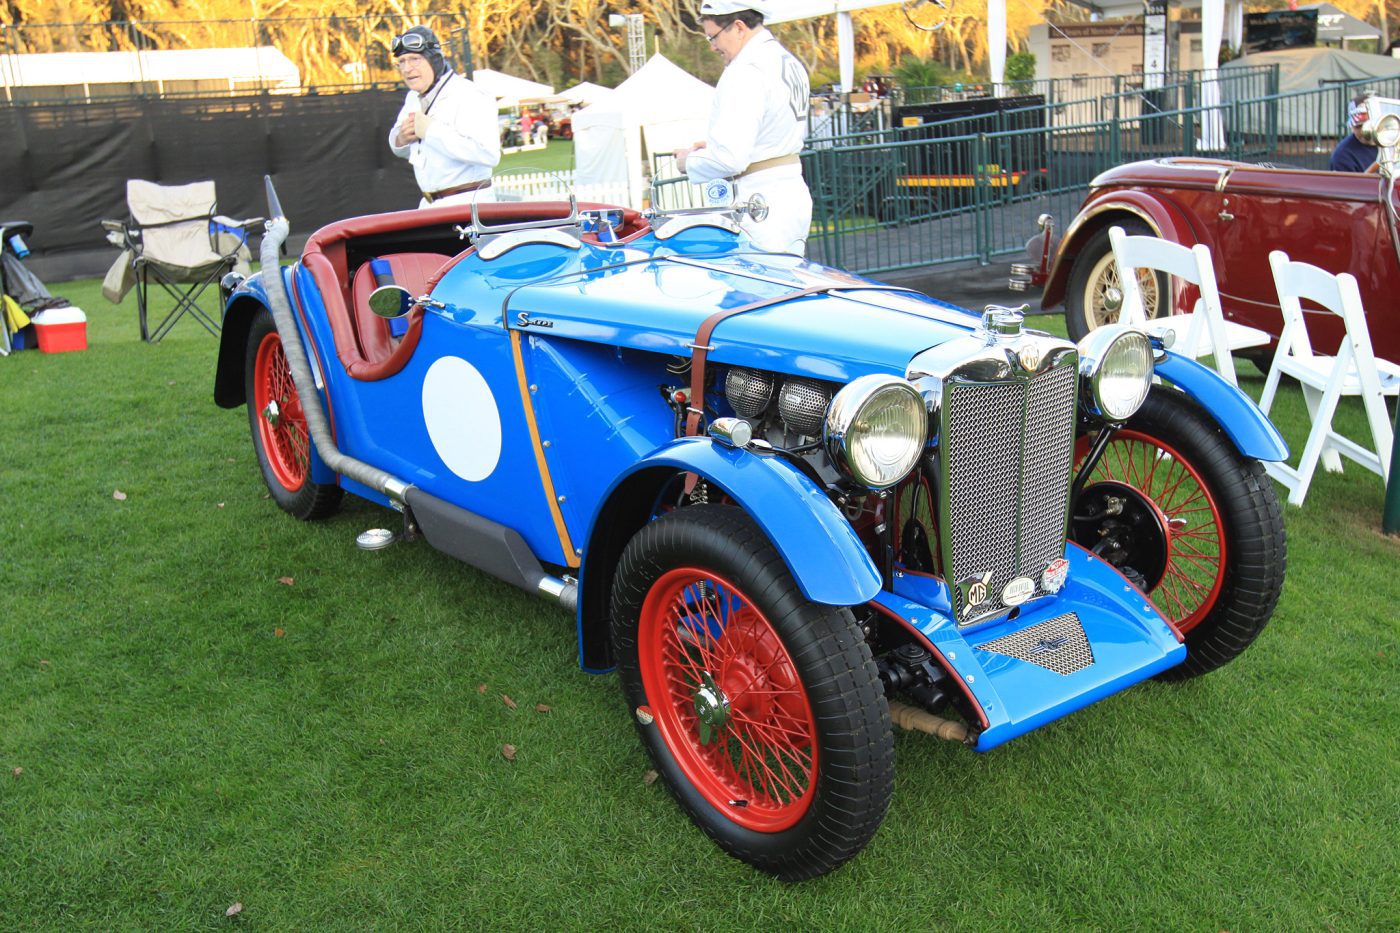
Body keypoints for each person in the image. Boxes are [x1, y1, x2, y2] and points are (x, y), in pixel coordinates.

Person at [672, 0, 812, 254]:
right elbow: (772, 130)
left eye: (713, 37)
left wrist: (687, 162)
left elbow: (729, 160)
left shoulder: (746, 70)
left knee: (761, 290)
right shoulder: (785, 60)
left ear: (738, 27)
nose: (713, 47)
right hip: (789, 192)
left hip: (761, 203)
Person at [387, 26, 501, 208]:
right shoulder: (413, 97)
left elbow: (488, 154)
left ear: (434, 60)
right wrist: (401, 139)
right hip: (428, 205)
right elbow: (407, 148)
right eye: (402, 62)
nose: (407, 68)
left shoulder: (469, 94)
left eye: (415, 59)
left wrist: (431, 131)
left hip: (468, 205)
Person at [1329, 93, 1379, 174]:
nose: (1364, 130)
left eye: (1369, 125)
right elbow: (1350, 185)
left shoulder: (1392, 144)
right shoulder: (1343, 156)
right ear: (1351, 127)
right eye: (1358, 126)